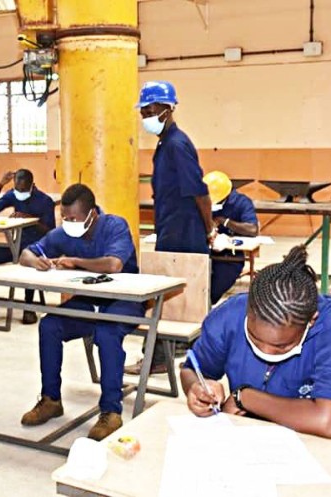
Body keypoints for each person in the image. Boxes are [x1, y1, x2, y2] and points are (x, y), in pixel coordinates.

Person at [181, 245, 331, 439]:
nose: (266, 352)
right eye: (254, 338)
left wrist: (245, 397)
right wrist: (198, 389)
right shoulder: (229, 316)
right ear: (248, 311)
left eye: (281, 346)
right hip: (245, 438)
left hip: (308, 442)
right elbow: (191, 371)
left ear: (311, 321)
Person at [18, 184, 143, 441]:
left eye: (73, 218)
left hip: (126, 300)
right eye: (64, 217)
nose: (68, 223)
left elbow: (114, 264)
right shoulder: (64, 233)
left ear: (91, 214)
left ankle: (111, 411)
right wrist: (36, 261)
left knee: (107, 333)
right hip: (88, 300)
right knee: (50, 326)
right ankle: (51, 399)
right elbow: (26, 254)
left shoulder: (115, 226)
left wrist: (75, 262)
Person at [125, 81, 215, 376]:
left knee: (172, 298)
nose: (145, 116)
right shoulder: (165, 143)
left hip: (184, 234)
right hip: (171, 229)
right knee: (166, 298)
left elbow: (200, 193)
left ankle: (161, 359)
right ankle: (159, 358)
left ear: (167, 109)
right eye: (143, 112)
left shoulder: (176, 145)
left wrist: (209, 230)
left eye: (149, 110)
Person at [0, 169, 55, 324]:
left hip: (37, 248)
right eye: (17, 189)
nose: (20, 193)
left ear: (32, 185)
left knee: (30, 265)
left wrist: (30, 219)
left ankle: (28, 307)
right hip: (17, 246)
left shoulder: (45, 201)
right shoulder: (13, 194)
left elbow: (50, 231)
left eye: (23, 190)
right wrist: (0, 186)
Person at [205, 170, 259, 303]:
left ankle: (208, 303)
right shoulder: (203, 201)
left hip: (230, 257)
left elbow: (253, 230)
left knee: (212, 292)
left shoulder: (241, 202)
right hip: (205, 253)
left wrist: (224, 221)